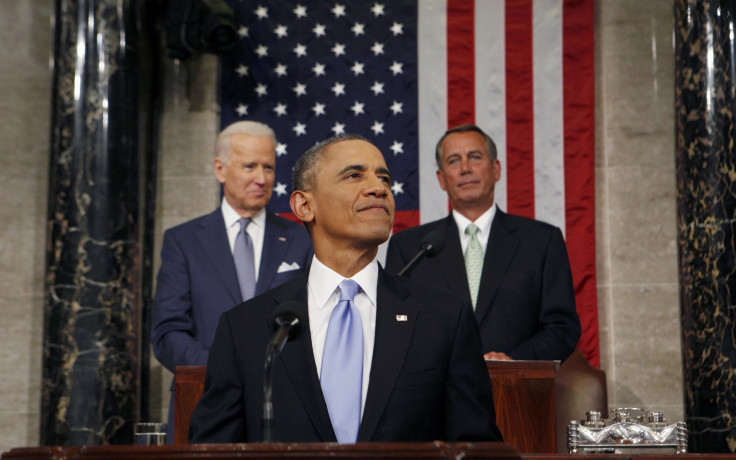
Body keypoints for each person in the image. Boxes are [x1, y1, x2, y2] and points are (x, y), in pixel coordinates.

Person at [188, 134, 502, 443]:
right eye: (354, 175)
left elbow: (477, 448)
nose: (379, 188)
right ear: (304, 206)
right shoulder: (246, 328)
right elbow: (213, 450)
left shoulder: (444, 318)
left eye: (384, 178)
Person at [151, 121, 313, 441]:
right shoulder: (183, 241)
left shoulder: (302, 238)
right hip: (203, 402)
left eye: (268, 167)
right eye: (249, 166)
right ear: (220, 169)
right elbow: (168, 332)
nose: (261, 178)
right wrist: (227, 369)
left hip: (283, 406)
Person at [385, 124, 580, 362]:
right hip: (434, 393)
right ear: (441, 178)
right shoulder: (410, 247)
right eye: (454, 161)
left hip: (514, 390)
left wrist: (512, 363)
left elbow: (562, 327)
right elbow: (395, 324)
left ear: (495, 169)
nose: (465, 168)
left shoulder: (542, 241)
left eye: (475, 157)